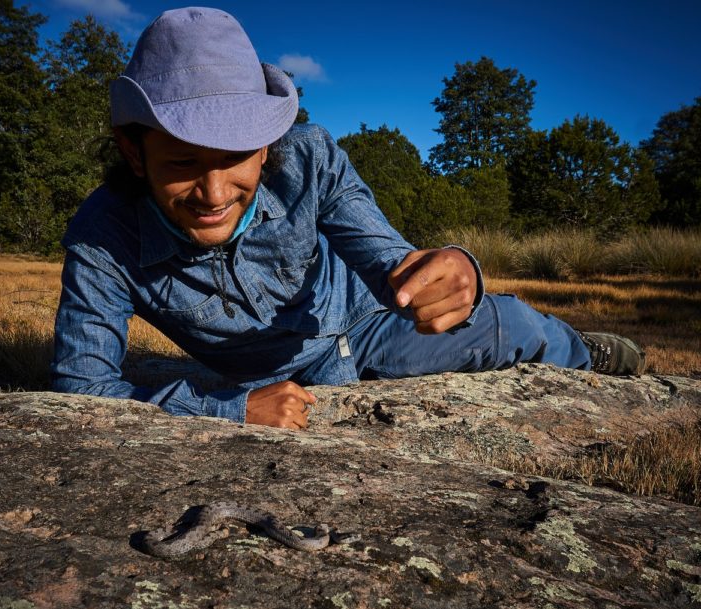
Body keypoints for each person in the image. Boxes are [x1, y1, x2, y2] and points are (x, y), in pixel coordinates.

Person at [51, 7, 645, 430]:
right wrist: (227, 409)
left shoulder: (310, 156)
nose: (212, 192)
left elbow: (391, 262)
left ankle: (585, 356)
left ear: (266, 144)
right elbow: (80, 389)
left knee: (511, 324)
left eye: (235, 159)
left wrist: (451, 269)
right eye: (182, 163)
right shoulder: (102, 237)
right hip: (270, 377)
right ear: (134, 153)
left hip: (365, 321)